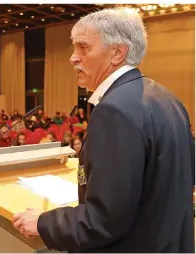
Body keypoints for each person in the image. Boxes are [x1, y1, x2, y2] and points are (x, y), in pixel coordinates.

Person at [12, 8, 194, 253]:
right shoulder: (168, 98)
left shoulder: (114, 110)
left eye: (83, 47)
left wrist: (44, 223)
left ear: (117, 53)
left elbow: (104, 220)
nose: (73, 57)